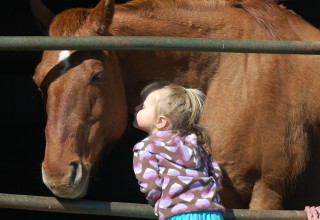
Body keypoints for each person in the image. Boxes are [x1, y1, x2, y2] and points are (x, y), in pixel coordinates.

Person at [132, 82, 226, 220]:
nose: (136, 108)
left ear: (161, 121)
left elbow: (151, 186)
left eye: (143, 106)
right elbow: (216, 175)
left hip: (177, 213)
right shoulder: (196, 142)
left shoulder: (146, 148)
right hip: (212, 212)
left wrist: (159, 203)